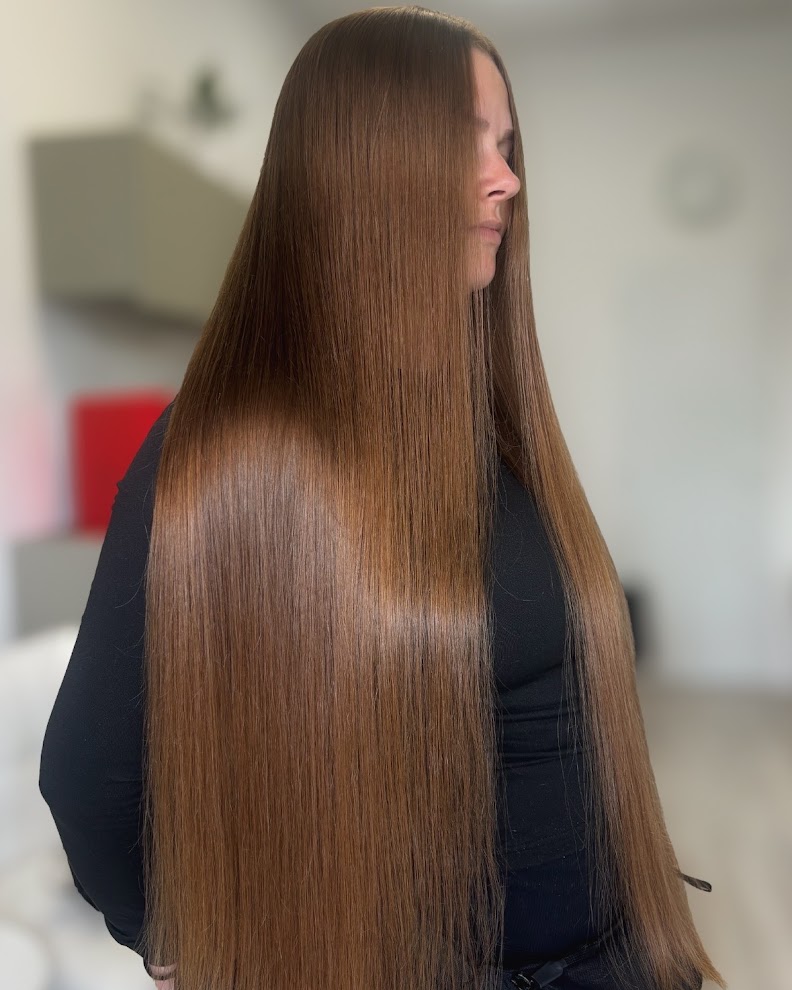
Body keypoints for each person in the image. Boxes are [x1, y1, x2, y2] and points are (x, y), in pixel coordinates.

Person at [39, 7, 724, 990]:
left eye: (507, 144)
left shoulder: (479, 418)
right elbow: (92, 780)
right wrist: (187, 944)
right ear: (357, 165)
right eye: (467, 141)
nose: (507, 179)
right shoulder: (234, 447)